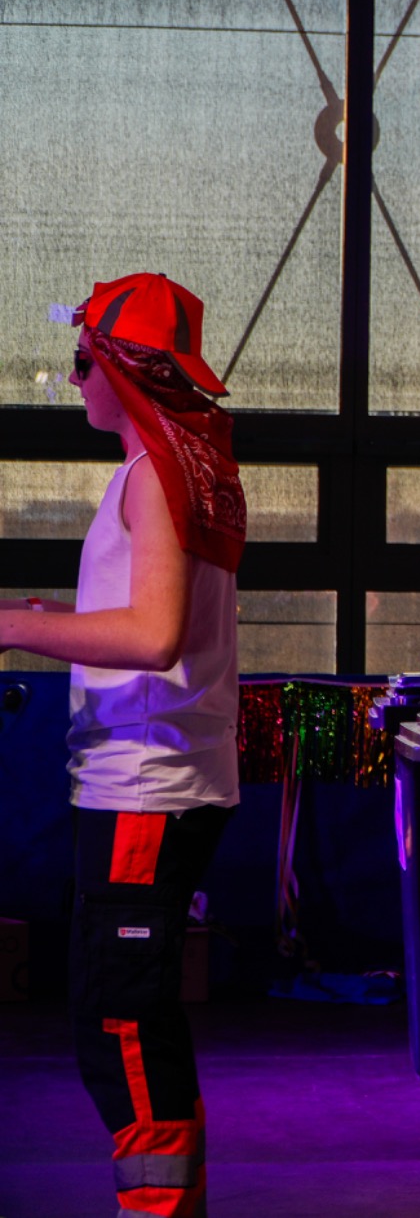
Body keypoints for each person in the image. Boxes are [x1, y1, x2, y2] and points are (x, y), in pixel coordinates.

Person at [0, 273, 247, 1218]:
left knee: (123, 1025)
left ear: (124, 367)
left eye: (81, 361)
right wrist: (53, 618)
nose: (73, 380)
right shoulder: (187, 465)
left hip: (144, 786)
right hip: (157, 780)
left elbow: (153, 636)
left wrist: (15, 628)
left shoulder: (155, 474)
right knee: (134, 1016)